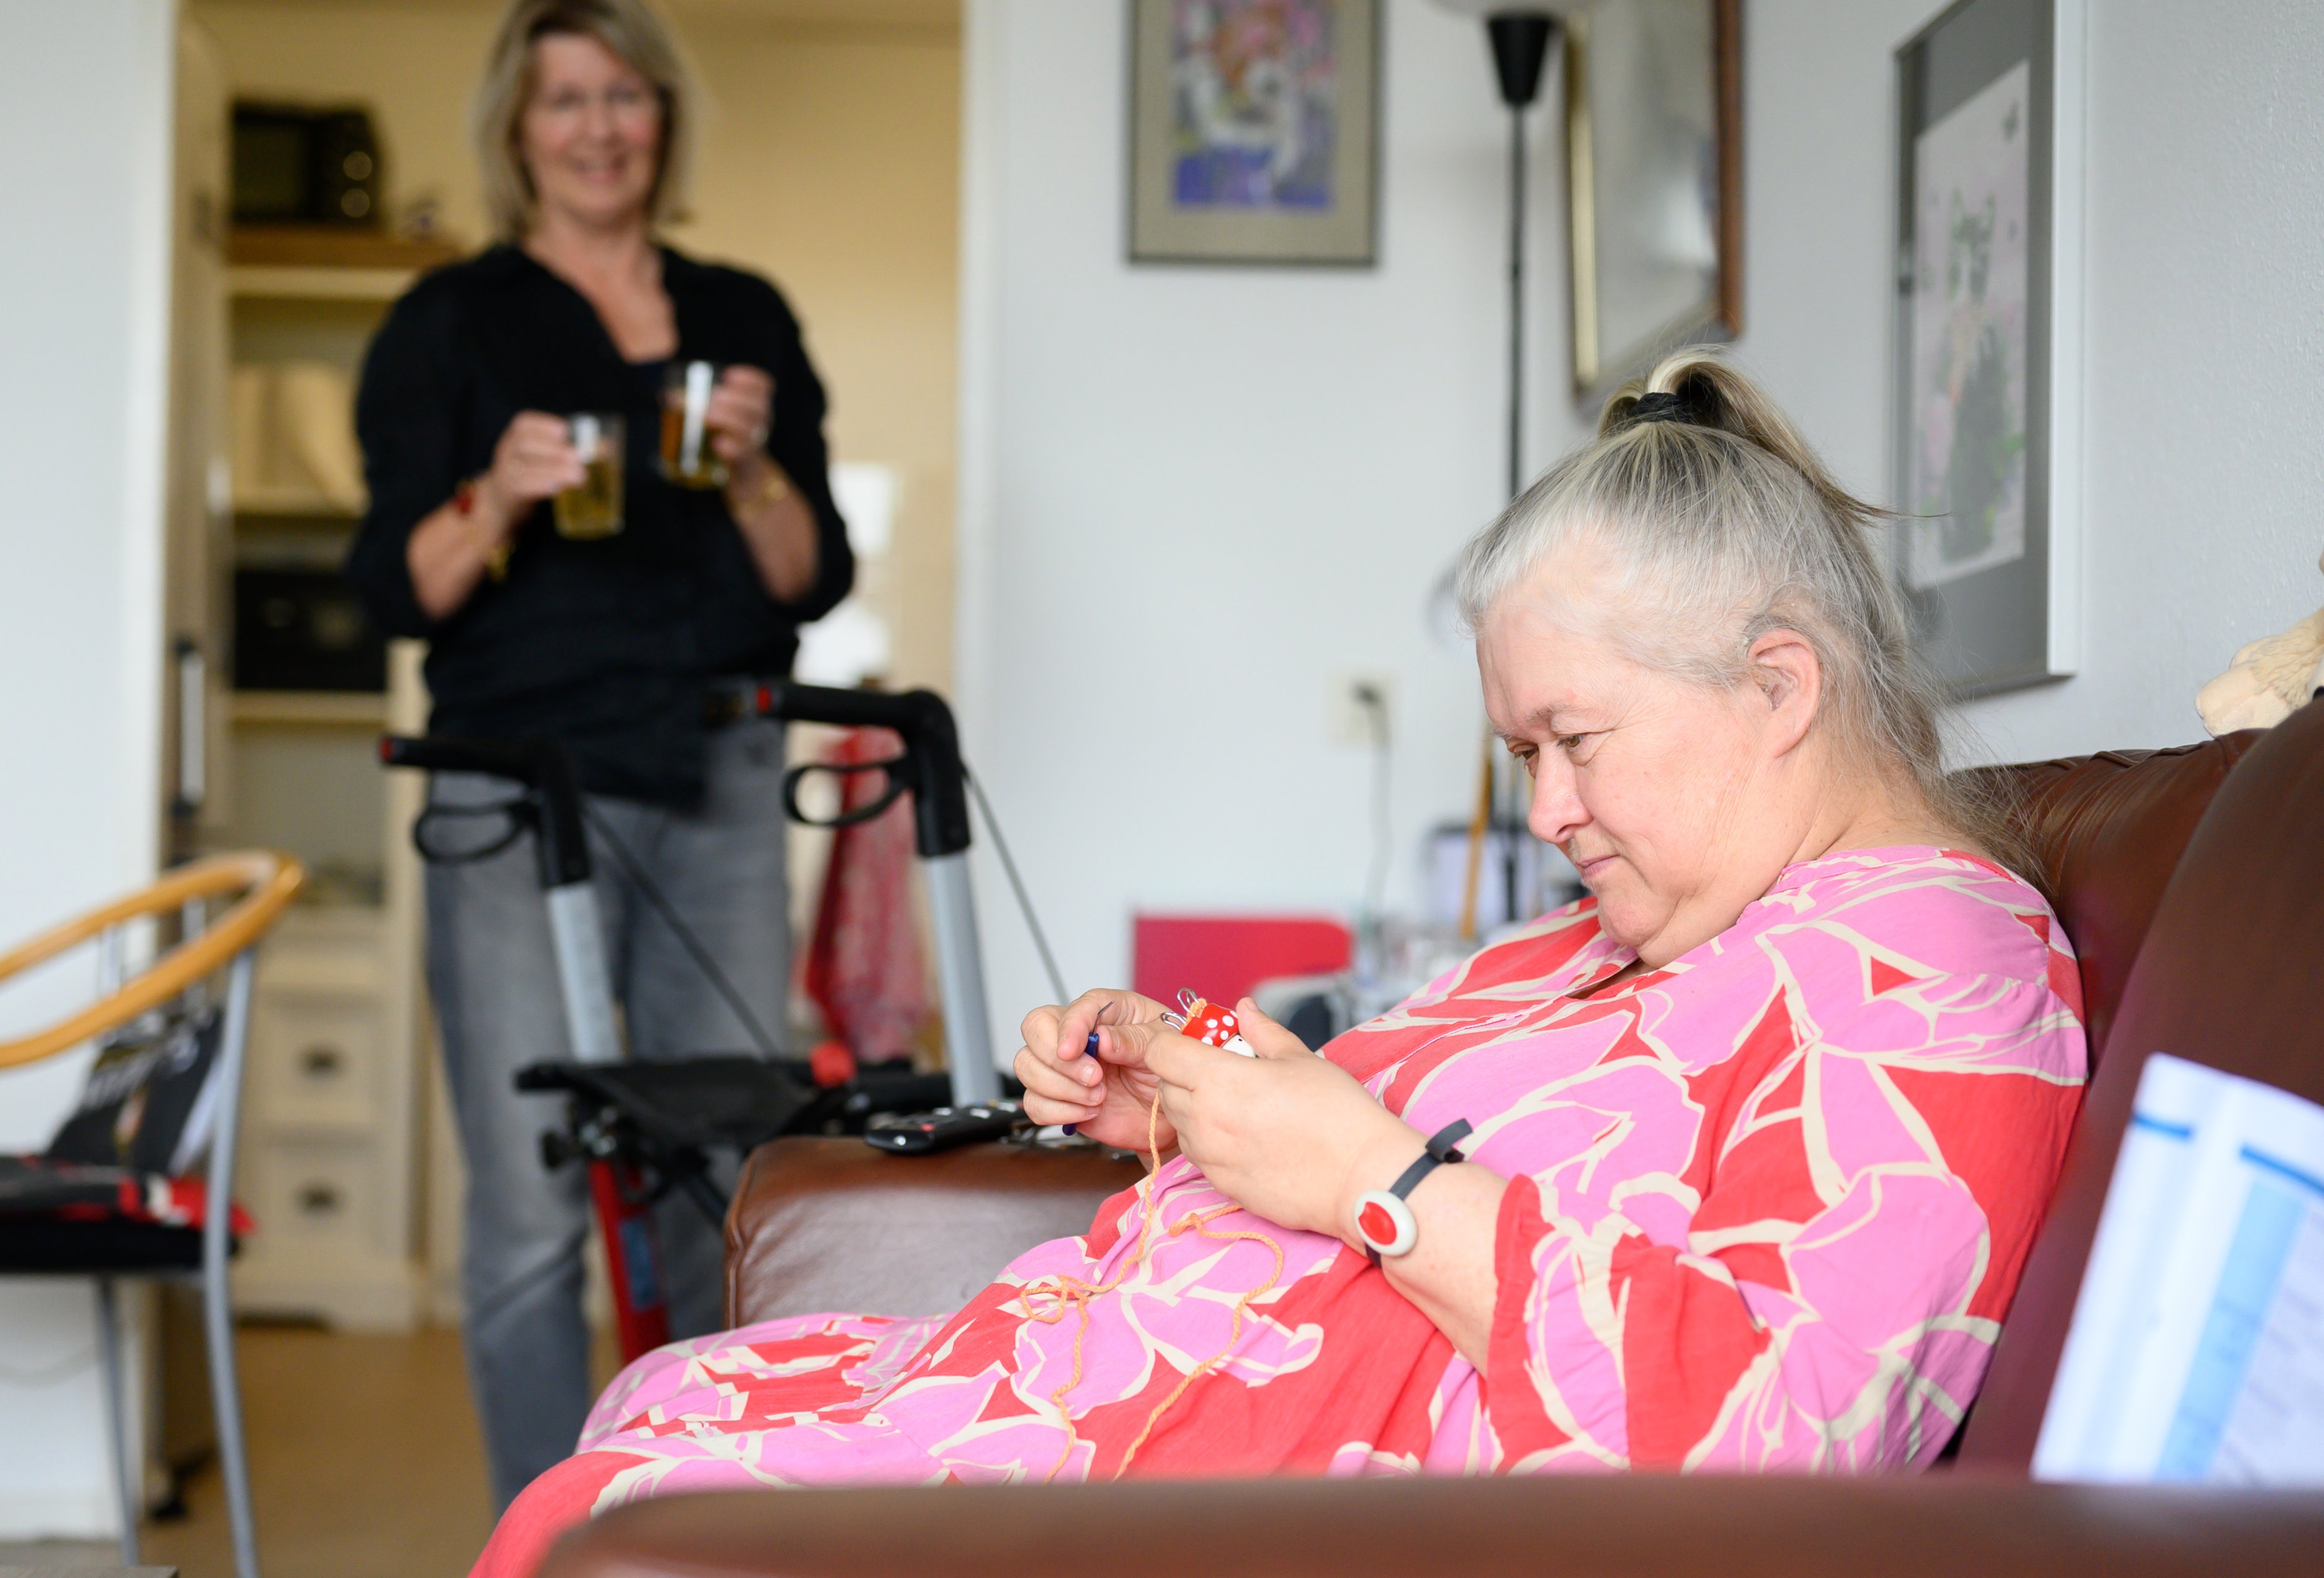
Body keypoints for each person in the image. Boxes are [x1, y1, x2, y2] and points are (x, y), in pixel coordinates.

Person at [468, 350, 2087, 1574]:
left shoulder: (1937, 966)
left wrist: (1371, 1178)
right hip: (1114, 1386)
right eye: (1522, 749)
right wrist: (1165, 1076)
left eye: (1575, 738)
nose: (1550, 808)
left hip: (1236, 1496)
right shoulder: (1638, 924)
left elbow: (1783, 1444)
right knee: (666, 1405)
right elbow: (1407, 1111)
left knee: (626, 1513)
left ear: (1780, 686)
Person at [343, 0, 853, 1513]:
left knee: (727, 1170)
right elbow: (396, 588)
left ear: (662, 120)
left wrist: (755, 466)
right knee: (527, 1198)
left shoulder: (744, 313)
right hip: (516, 793)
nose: (598, 126)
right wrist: (494, 497)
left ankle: (696, 1518)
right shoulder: (447, 323)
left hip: (715, 776)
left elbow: (805, 576)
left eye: (625, 95)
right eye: (566, 98)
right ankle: (543, 1531)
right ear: (519, 127)